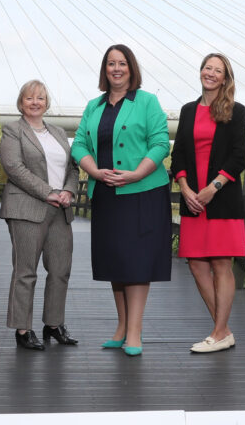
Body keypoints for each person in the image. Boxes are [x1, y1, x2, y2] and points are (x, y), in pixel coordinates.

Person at [71, 44, 171, 357]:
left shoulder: (147, 101)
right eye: (111, 63)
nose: (116, 68)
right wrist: (95, 173)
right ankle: (121, 326)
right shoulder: (94, 106)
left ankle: (135, 332)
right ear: (105, 69)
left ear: (131, 68)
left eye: (122, 63)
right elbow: (79, 146)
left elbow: (159, 144)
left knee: (137, 262)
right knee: (116, 260)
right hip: (107, 193)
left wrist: (135, 174)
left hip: (142, 192)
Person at [170, 53, 245, 353]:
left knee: (220, 263)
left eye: (218, 70)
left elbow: (239, 155)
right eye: (207, 68)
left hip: (221, 198)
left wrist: (213, 187)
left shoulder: (235, 111)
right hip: (193, 201)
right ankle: (224, 330)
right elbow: (178, 155)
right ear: (200, 72)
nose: (211, 73)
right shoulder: (188, 111)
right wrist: (186, 188)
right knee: (195, 264)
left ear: (225, 78)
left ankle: (217, 333)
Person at [0, 80, 80, 350]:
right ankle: (23, 330)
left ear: (47, 103)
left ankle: (53, 325)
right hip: (27, 207)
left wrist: (68, 191)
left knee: (60, 270)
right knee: (26, 271)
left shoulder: (58, 132)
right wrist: (48, 192)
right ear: (21, 102)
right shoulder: (13, 130)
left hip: (60, 208)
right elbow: (14, 167)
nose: (35, 102)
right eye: (30, 98)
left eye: (41, 98)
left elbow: (73, 168)